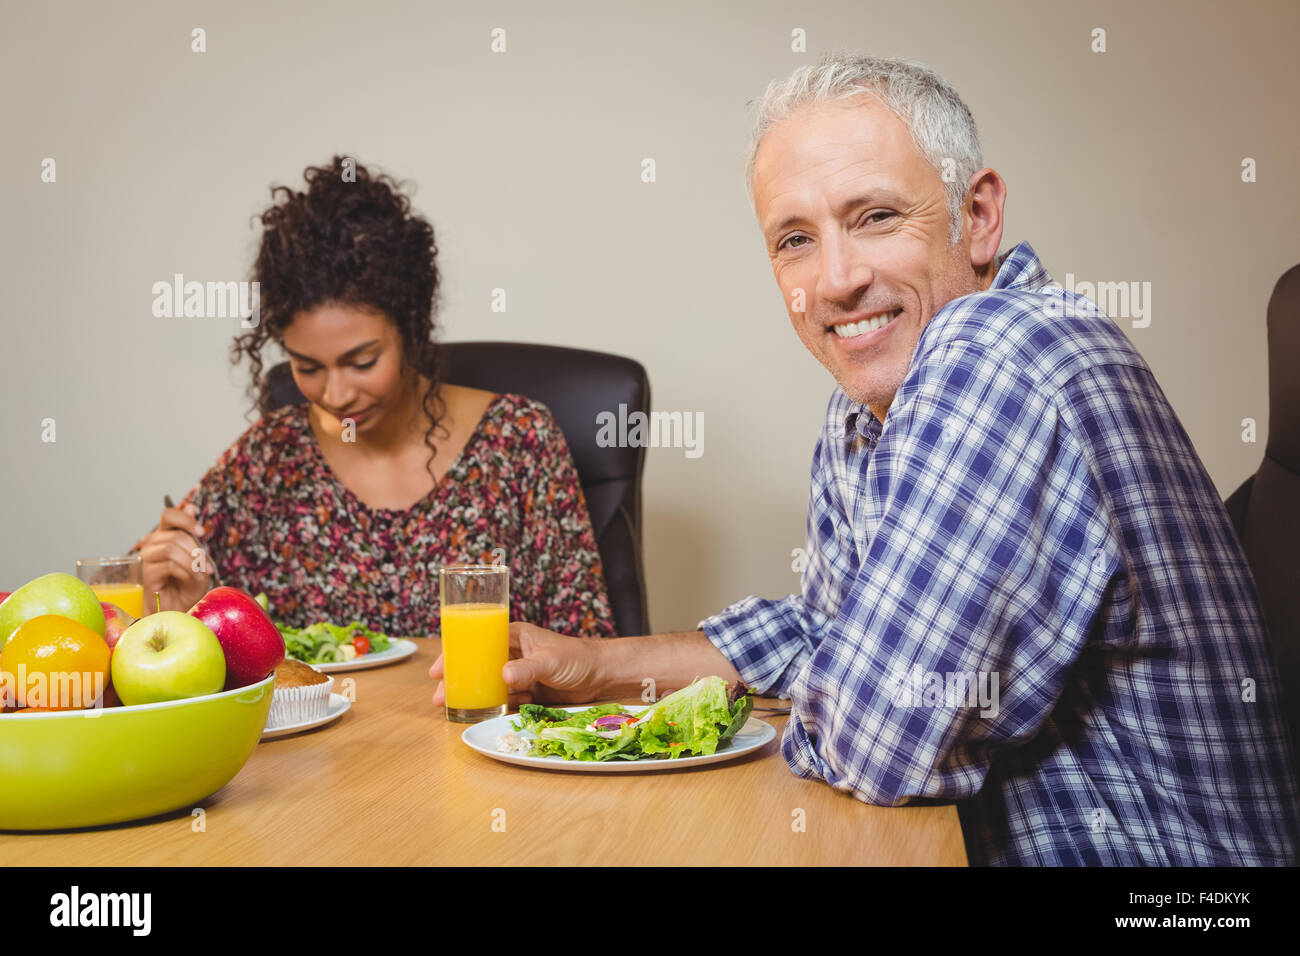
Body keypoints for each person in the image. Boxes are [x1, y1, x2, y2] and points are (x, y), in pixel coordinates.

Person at [431, 54, 1300, 866]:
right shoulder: (867, 407)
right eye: (795, 240)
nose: (837, 280)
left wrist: (848, 686)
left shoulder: (997, 351)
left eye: (876, 217)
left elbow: (882, 737)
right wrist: (597, 665)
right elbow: (832, 634)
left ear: (979, 215)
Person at [132, 156, 615, 639]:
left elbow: (589, 651)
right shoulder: (268, 459)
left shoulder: (519, 441)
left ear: (411, 329)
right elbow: (148, 638)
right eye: (308, 367)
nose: (336, 395)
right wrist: (176, 609)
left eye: (362, 362)